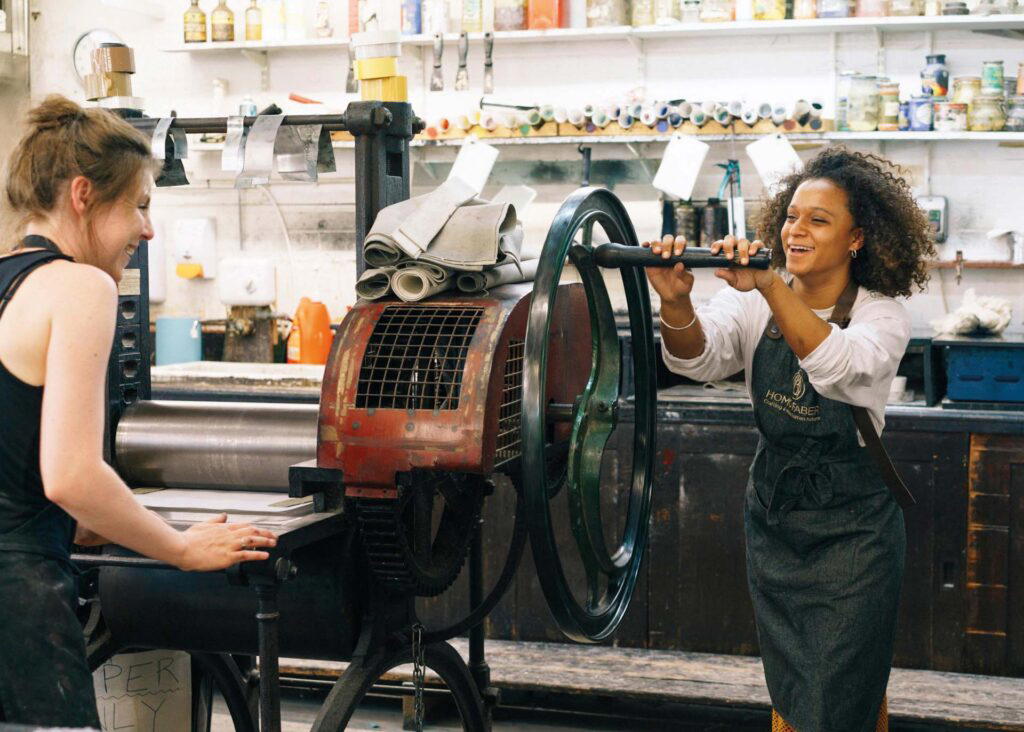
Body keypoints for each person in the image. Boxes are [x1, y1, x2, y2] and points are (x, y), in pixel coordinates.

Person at [0, 95, 278, 728]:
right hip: (18, 608)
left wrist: (85, 522)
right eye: (140, 205)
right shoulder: (80, 287)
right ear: (82, 195)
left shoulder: (7, 282)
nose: (148, 231)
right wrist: (179, 548)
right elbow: (68, 475)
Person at [644, 148, 935, 732]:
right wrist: (675, 301)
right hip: (777, 517)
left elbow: (837, 366)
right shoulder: (752, 299)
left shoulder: (883, 316)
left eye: (819, 220)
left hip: (854, 529)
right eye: (792, 216)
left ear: (857, 238)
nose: (796, 230)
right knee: (797, 681)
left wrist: (774, 287)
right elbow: (699, 358)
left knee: (837, 685)